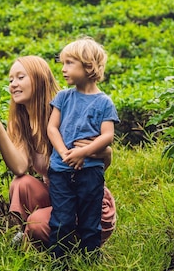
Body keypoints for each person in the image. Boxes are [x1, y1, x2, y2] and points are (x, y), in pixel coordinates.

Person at [0, 55, 116, 250]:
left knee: (38, 222)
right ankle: (41, 236)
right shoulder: (23, 121)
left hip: (88, 201)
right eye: (10, 80)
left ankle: (72, 244)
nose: (13, 84)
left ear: (39, 78)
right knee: (21, 183)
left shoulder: (64, 111)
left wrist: (102, 152)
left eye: (20, 77)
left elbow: (103, 156)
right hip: (60, 196)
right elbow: (19, 167)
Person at [46, 37, 119, 258]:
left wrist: (83, 153)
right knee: (62, 219)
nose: (63, 69)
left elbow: (108, 136)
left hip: (90, 172)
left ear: (89, 66)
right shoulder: (63, 97)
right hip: (60, 171)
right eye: (62, 63)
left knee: (90, 218)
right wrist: (65, 154)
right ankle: (59, 260)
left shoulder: (104, 102)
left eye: (69, 63)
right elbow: (52, 128)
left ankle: (90, 258)